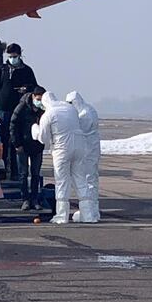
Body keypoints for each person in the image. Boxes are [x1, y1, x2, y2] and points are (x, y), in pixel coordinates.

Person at [0, 44, 38, 180]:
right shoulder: (3, 69)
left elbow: (35, 87)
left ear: (19, 55)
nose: (12, 59)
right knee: (1, 140)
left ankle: (16, 172)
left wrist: (26, 89)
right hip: (1, 109)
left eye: (14, 56)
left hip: (18, 109)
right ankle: (1, 170)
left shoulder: (27, 70)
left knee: (16, 141)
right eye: (10, 56)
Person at [35, 92, 88, 224]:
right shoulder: (71, 109)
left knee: (62, 181)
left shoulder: (48, 114)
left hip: (62, 149)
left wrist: (35, 130)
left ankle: (62, 216)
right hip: (80, 147)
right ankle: (89, 214)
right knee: (80, 179)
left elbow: (43, 138)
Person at [66, 91, 101, 223]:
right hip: (90, 150)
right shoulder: (89, 109)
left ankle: (89, 212)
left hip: (88, 151)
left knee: (88, 181)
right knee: (91, 181)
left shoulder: (85, 114)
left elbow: (79, 129)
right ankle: (93, 211)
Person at [10, 86, 46, 211]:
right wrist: (16, 144)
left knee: (35, 174)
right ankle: (25, 199)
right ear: (33, 96)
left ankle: (35, 199)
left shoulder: (44, 109)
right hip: (23, 146)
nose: (40, 101)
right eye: (38, 99)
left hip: (37, 146)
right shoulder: (22, 107)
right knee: (23, 174)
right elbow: (13, 125)